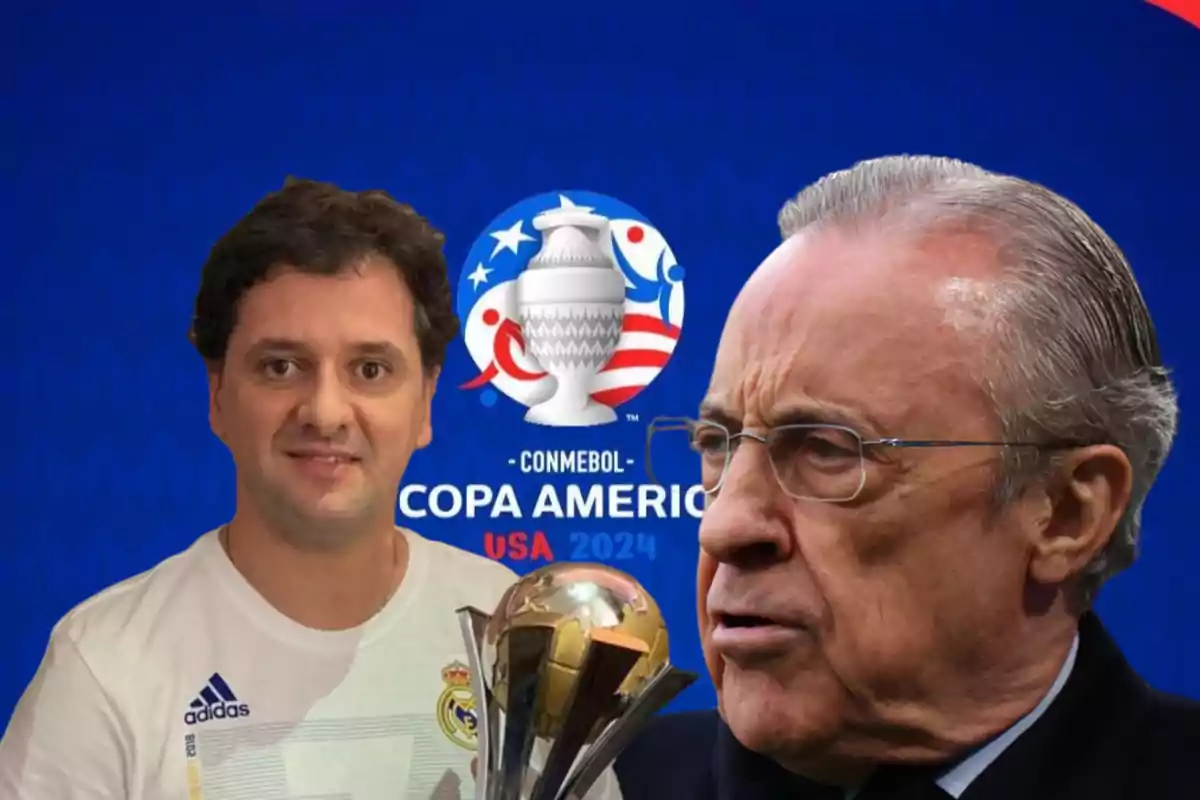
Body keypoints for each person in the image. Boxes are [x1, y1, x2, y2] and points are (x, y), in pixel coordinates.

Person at [0, 178, 621, 800]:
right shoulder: (105, 667)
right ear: (217, 395)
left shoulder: (522, 638)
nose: (325, 412)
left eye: (370, 370)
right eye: (281, 366)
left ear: (427, 401)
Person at [615, 156, 1200, 798]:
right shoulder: (591, 786)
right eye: (717, 444)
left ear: (1067, 513)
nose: (725, 526)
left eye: (828, 450)